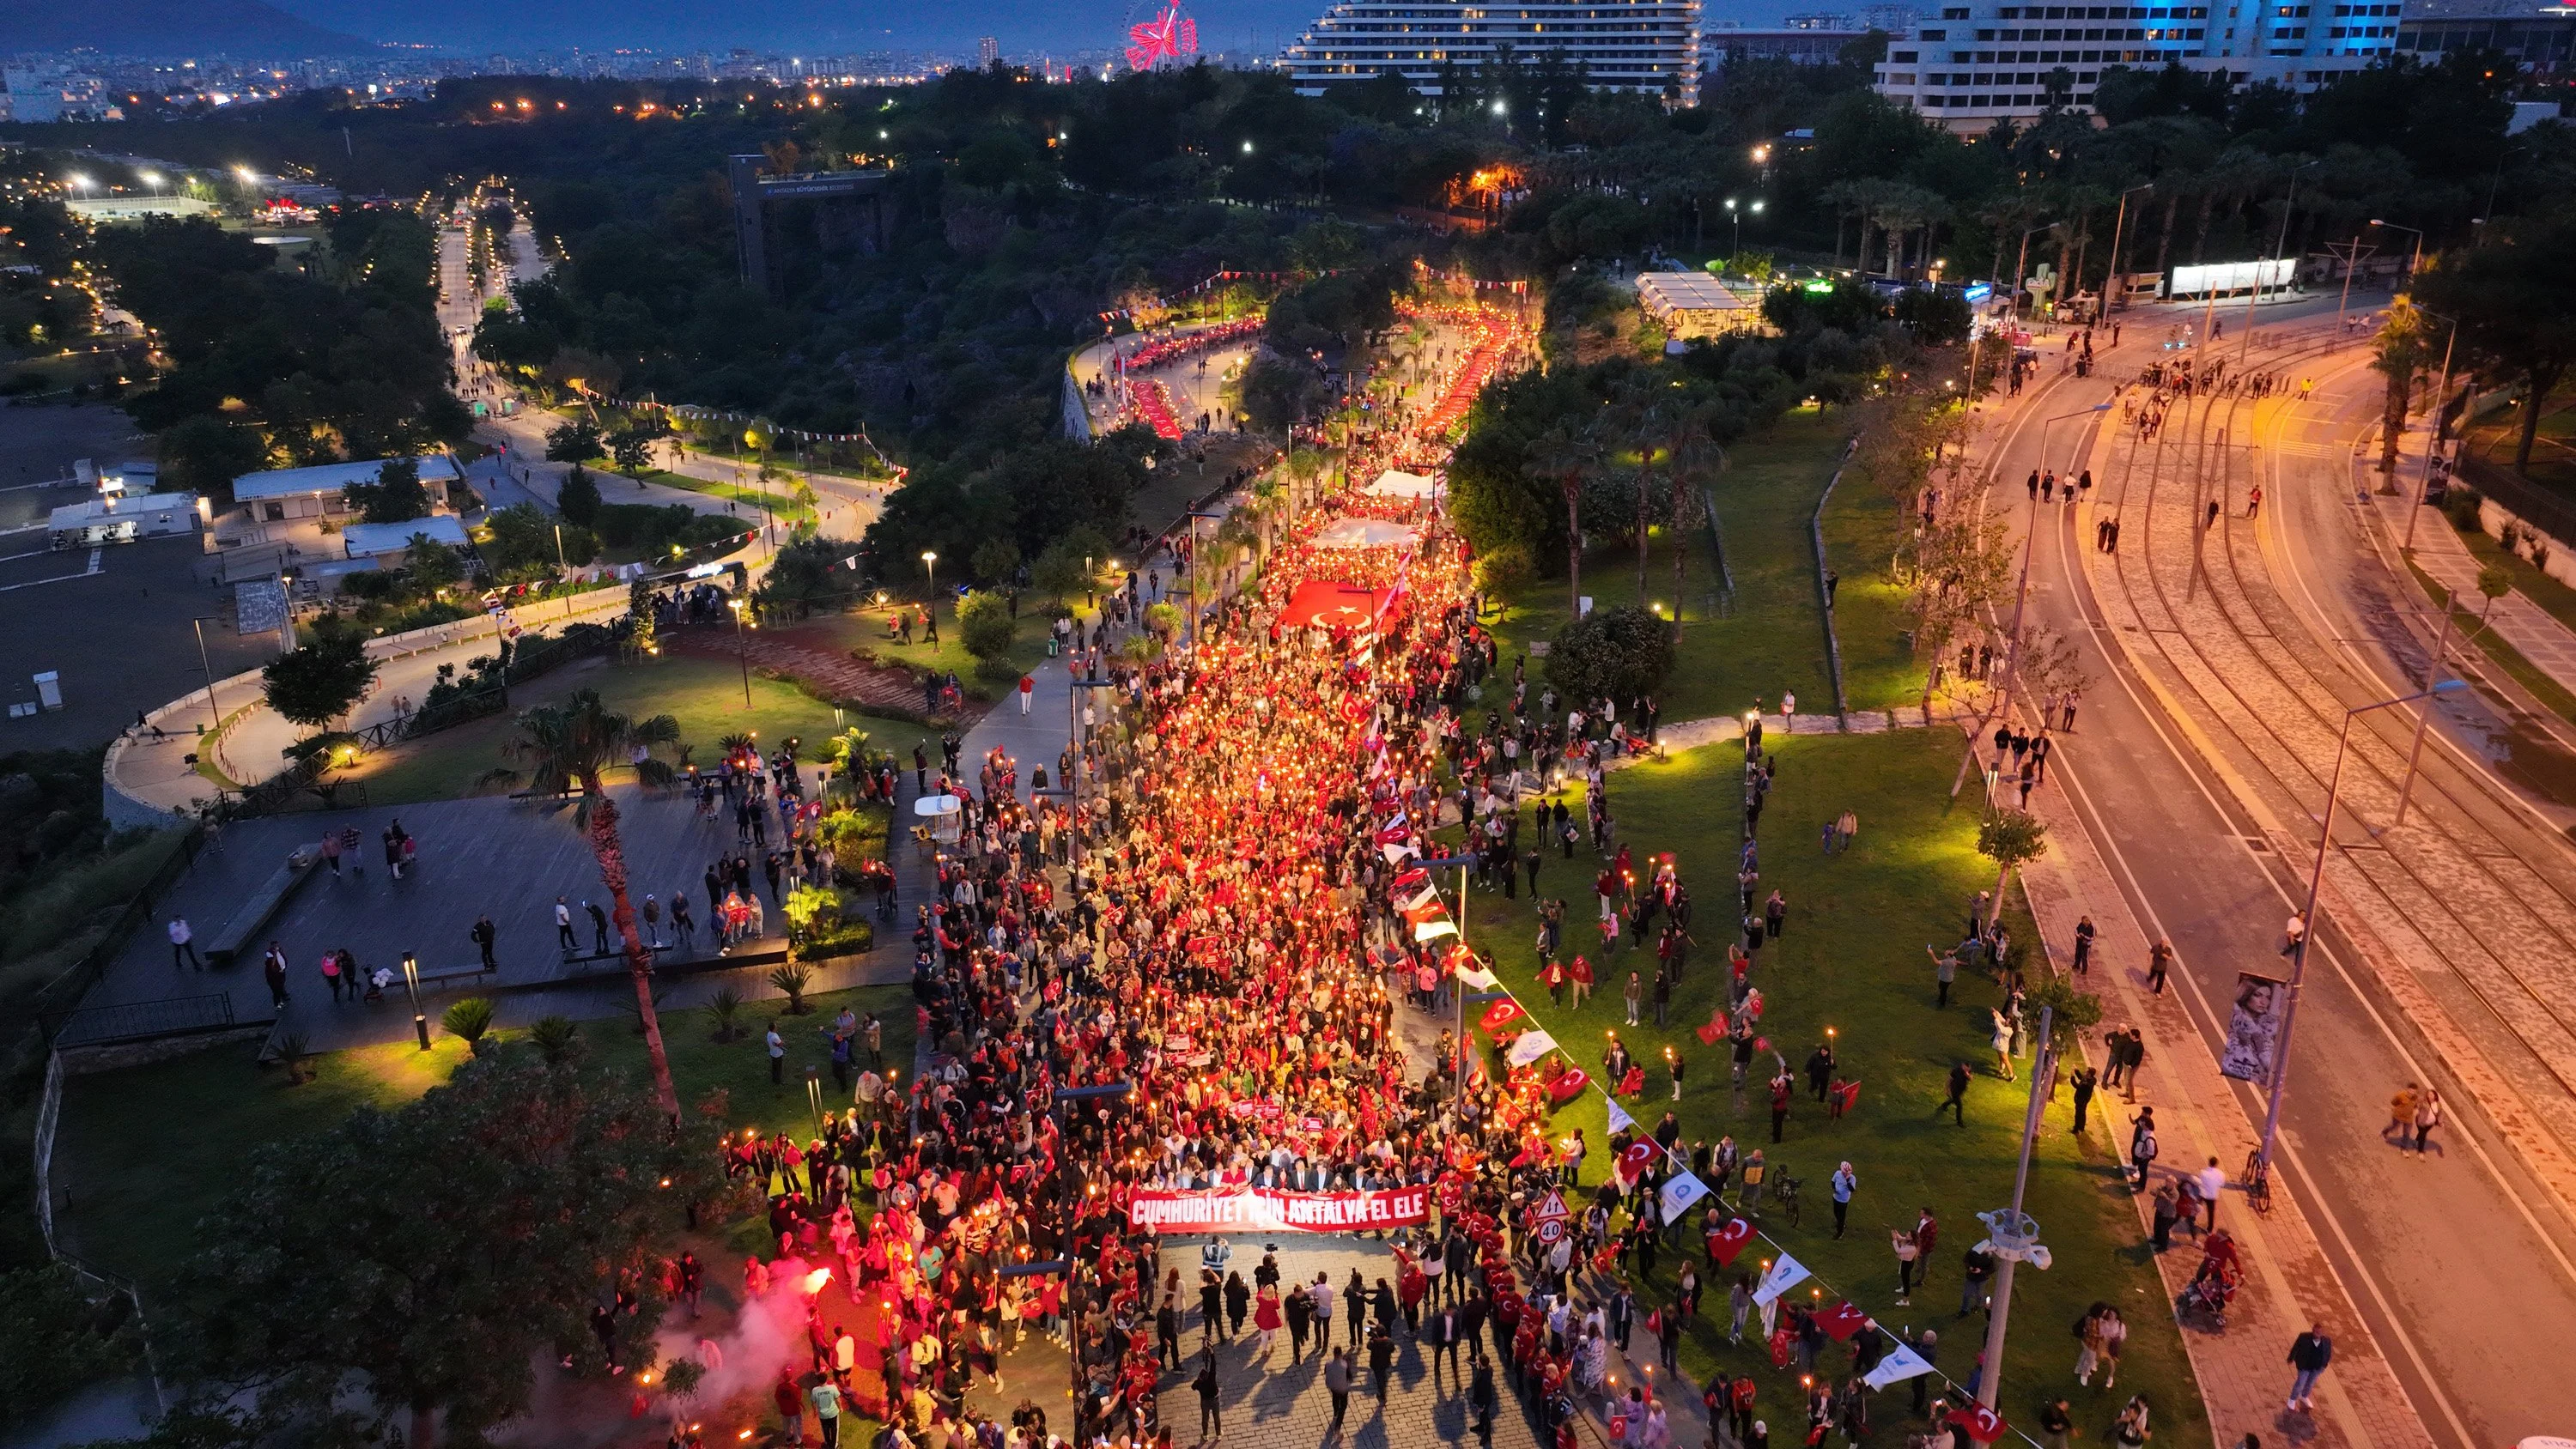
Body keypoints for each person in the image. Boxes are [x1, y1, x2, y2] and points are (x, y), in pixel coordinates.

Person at [2412, 1086, 2444, 1155]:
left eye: (2431, 1095)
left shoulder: (2438, 1104)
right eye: (2428, 1094)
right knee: (2423, 1136)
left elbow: (2440, 1113)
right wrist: (2416, 1110)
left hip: (2430, 1124)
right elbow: (2417, 1105)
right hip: (2421, 1122)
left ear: (2435, 1096)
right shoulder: (2423, 1101)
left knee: (2422, 1133)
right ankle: (2420, 1151)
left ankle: (2417, 1140)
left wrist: (2440, 1122)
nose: (2429, 1096)